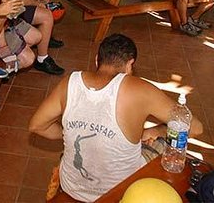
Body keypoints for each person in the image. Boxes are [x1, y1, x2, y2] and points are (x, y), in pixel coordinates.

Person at [29, 33, 203, 202]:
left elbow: (37, 126)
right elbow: (194, 127)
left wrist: (76, 133)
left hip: (71, 187)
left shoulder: (70, 82)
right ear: (130, 65)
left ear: (97, 60)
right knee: (169, 141)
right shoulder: (140, 89)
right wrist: (158, 130)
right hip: (121, 190)